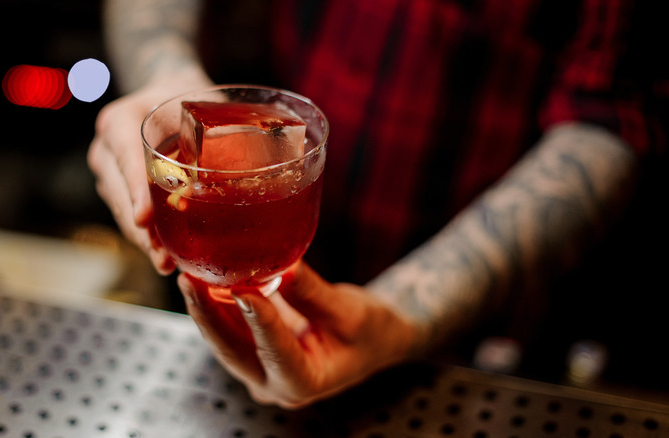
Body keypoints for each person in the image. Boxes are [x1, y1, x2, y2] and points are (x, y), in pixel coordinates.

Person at [88, 0, 666, 408]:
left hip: (474, 332)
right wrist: (166, 82)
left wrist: (405, 314)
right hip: (241, 293)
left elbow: (613, 115)